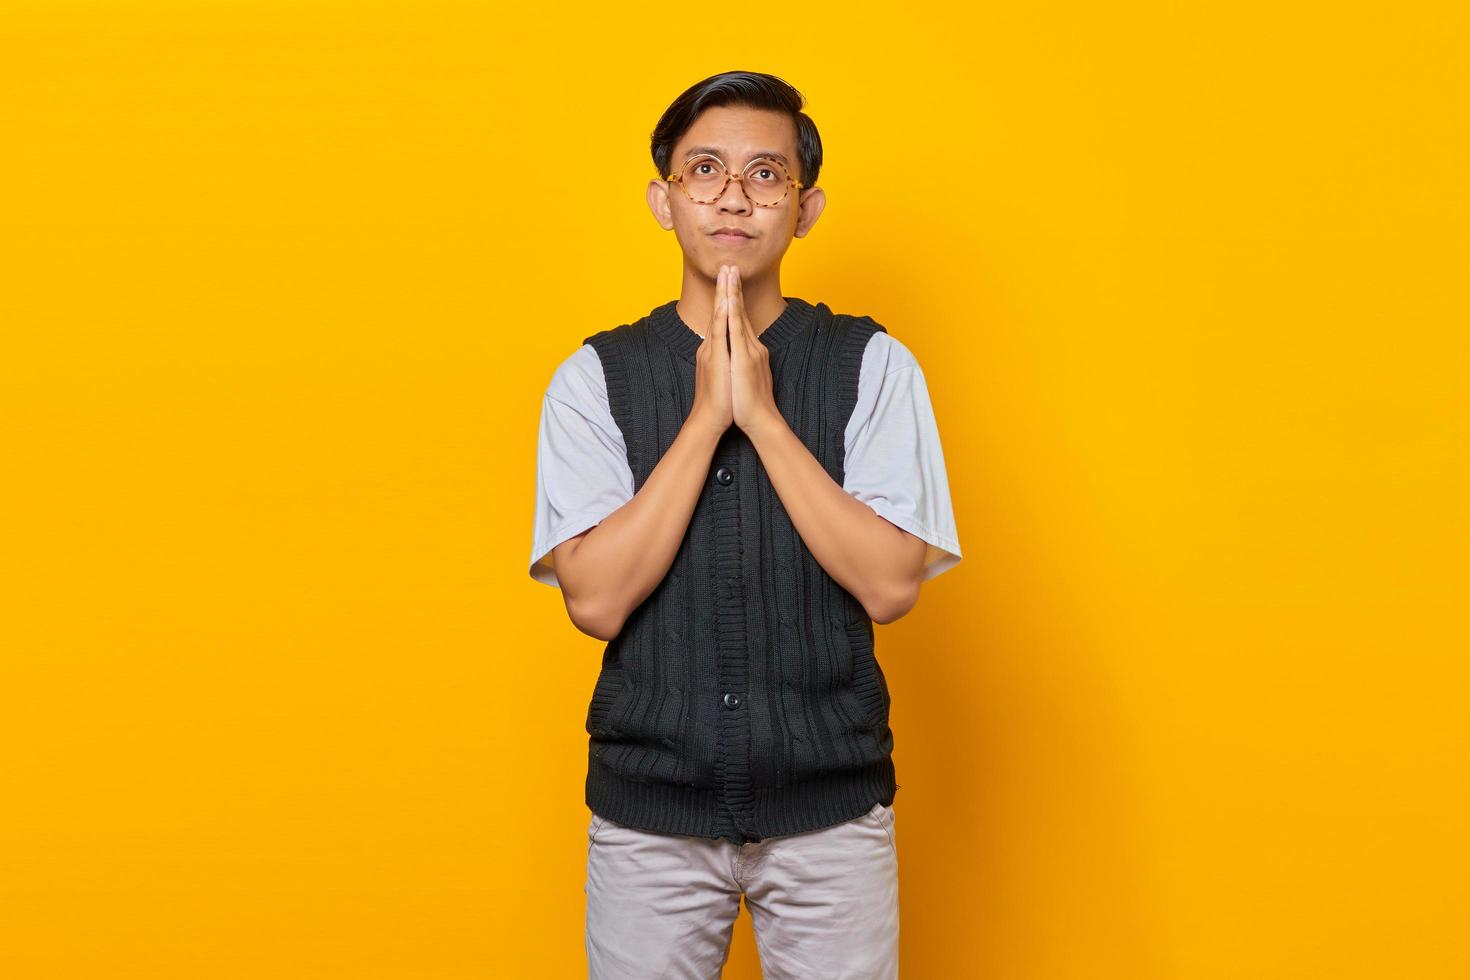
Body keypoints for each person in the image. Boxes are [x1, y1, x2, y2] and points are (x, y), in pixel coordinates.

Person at [527, 70, 962, 979]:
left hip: (832, 821)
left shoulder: (872, 364)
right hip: (650, 823)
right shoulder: (593, 377)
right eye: (706, 171)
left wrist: (761, 415)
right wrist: (703, 419)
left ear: (805, 208)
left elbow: (890, 586)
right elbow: (595, 600)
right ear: (664, 199)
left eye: (767, 174)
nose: (734, 195)